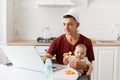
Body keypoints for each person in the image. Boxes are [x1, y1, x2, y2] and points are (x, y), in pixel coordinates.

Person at [42, 8, 95, 80]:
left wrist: (84, 66)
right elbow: (47, 56)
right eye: (64, 24)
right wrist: (46, 59)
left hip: (81, 75)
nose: (66, 28)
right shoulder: (57, 41)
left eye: (70, 24)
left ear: (77, 25)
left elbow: (90, 64)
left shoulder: (87, 42)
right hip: (62, 75)